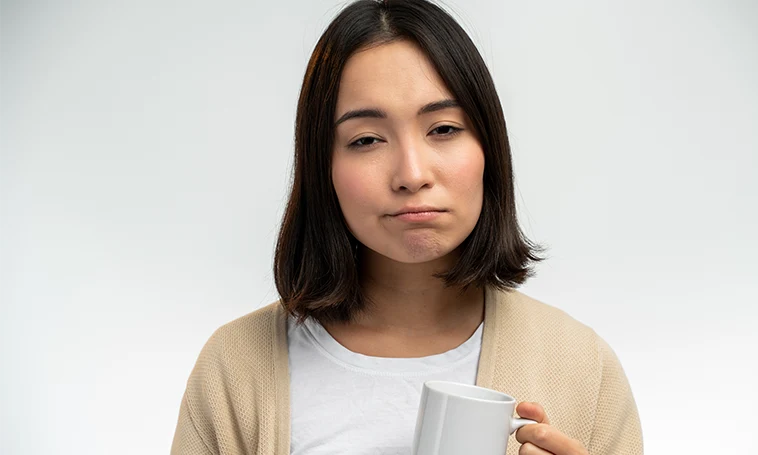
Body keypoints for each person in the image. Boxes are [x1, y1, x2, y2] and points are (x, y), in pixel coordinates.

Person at [170, 1, 642, 454]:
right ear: (322, 167)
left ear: (489, 150)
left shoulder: (582, 366)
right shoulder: (234, 367)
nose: (412, 174)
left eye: (443, 129)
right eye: (367, 139)